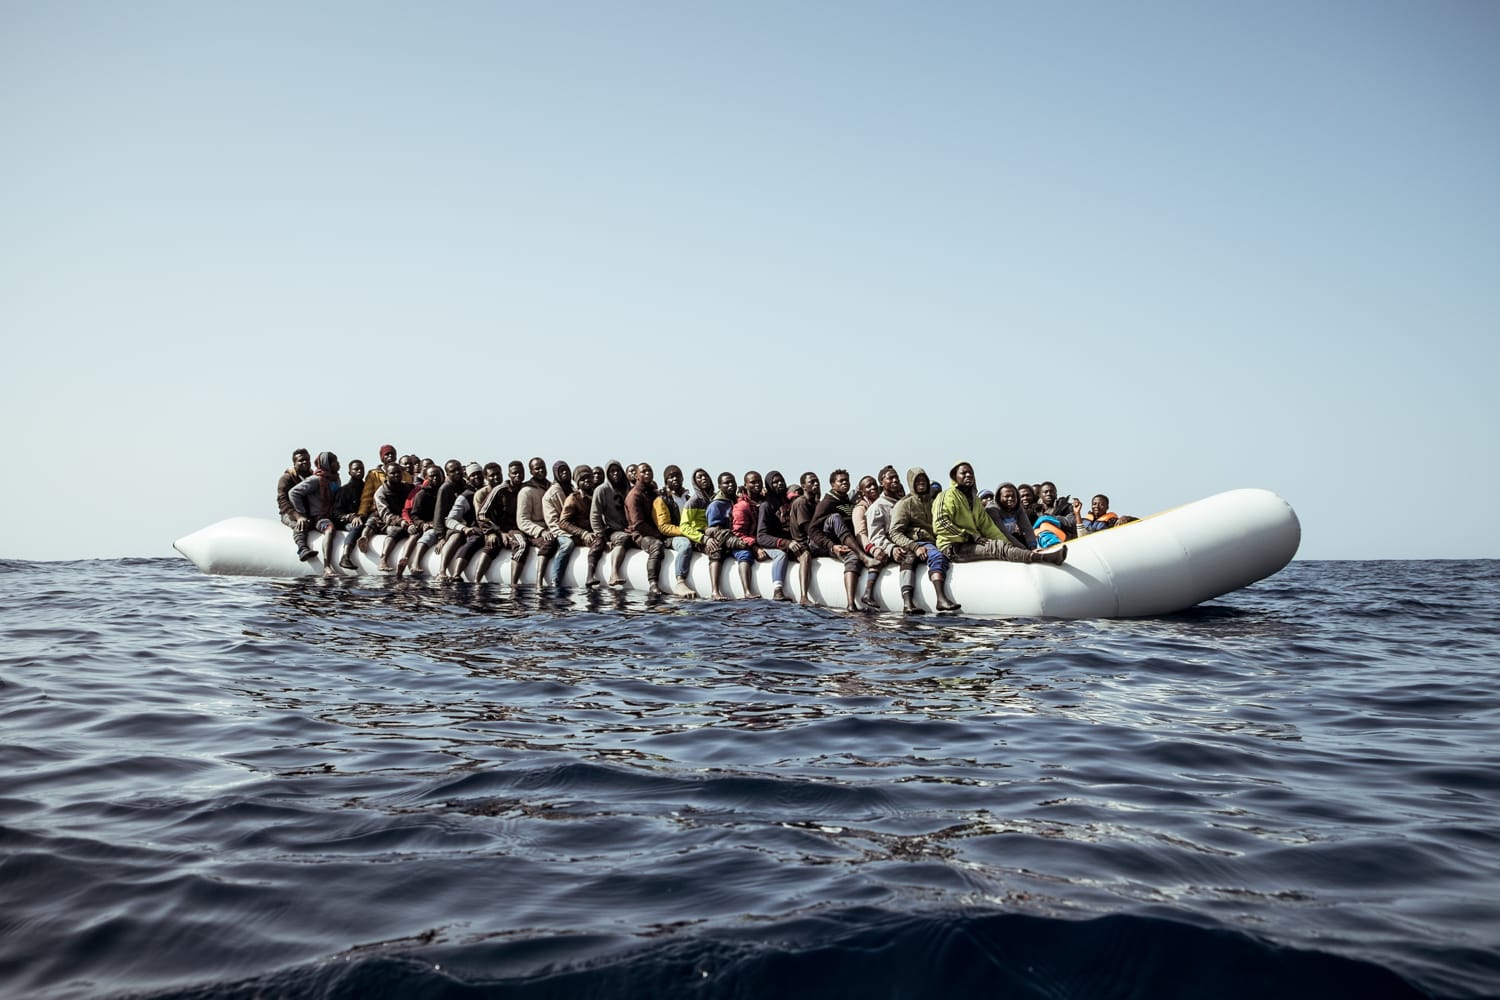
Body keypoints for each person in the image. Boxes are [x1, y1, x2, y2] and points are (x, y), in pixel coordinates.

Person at [935, 462, 1066, 566]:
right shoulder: (946, 496)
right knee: (997, 547)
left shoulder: (975, 501)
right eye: (963, 473)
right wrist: (970, 536)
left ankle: (1031, 553)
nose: (968, 475)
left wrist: (1011, 545)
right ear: (954, 476)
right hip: (952, 546)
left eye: (971, 473)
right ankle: (1042, 558)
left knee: (1001, 544)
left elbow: (988, 527)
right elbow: (940, 522)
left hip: (971, 543)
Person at [888, 467, 962, 613]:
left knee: (941, 553)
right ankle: (938, 599)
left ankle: (915, 603)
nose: (921, 483)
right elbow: (895, 532)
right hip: (913, 542)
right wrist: (915, 547)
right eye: (917, 480)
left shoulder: (934, 502)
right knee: (928, 557)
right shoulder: (904, 504)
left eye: (924, 480)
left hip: (934, 541)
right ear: (911, 483)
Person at [808, 469, 874, 611]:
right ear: (833, 484)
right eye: (841, 481)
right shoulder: (826, 503)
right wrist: (832, 546)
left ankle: (853, 603)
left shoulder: (849, 502)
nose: (845, 483)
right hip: (822, 543)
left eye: (847, 480)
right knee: (835, 518)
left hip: (843, 541)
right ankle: (850, 602)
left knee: (853, 555)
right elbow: (812, 530)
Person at [867, 465, 922, 614]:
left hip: (913, 542)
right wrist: (892, 549)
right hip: (898, 551)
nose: (895, 480)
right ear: (881, 482)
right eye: (890, 477)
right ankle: (907, 602)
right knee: (908, 556)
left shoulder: (905, 503)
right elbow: (876, 537)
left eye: (896, 477)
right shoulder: (877, 507)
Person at [756, 470, 812, 604]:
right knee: (781, 555)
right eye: (774, 482)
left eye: (781, 480)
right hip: (772, 545)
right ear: (769, 485)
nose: (779, 483)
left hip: (790, 543)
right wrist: (785, 543)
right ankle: (778, 590)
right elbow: (761, 536)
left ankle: (804, 597)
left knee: (805, 554)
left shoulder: (790, 502)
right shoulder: (766, 506)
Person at [472, 462, 529, 585]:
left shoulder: (526, 488)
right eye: (514, 473)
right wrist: (492, 532)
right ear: (509, 475)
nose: (518, 475)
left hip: (523, 527)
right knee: (521, 544)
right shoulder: (499, 490)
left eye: (520, 472)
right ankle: (513, 585)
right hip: (505, 528)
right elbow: (481, 514)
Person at [287, 451, 342, 573]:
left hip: (333, 515)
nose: (338, 464)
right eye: (335, 462)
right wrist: (301, 514)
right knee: (330, 529)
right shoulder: (316, 479)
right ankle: (327, 566)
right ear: (327, 464)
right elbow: (293, 493)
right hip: (319, 517)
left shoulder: (335, 479)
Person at [653, 465, 699, 598]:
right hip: (671, 537)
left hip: (690, 532)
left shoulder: (689, 498)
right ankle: (680, 582)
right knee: (685, 545)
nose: (675, 479)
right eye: (671, 477)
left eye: (677, 476)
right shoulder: (661, 500)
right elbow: (663, 527)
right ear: (665, 481)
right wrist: (685, 532)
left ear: (682, 478)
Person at [704, 472, 750, 600]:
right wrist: (733, 540)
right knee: (716, 552)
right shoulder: (716, 505)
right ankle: (715, 591)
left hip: (737, 538)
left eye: (732, 482)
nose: (731, 485)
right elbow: (715, 530)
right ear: (719, 486)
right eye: (726, 483)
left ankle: (747, 591)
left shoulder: (738, 500)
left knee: (745, 553)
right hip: (722, 539)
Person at [624, 462, 668, 596]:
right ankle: (653, 583)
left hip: (658, 531)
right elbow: (638, 524)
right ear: (637, 476)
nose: (647, 473)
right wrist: (658, 535)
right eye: (643, 471)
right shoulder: (634, 496)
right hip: (639, 535)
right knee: (656, 545)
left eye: (649, 470)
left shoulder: (653, 493)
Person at [558, 464, 606, 586]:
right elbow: (563, 522)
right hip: (581, 535)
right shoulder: (573, 498)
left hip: (596, 530)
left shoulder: (597, 494)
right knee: (598, 542)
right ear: (577, 483)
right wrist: (583, 533)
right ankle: (590, 575)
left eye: (588, 477)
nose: (587, 481)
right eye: (582, 479)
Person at [516, 456, 560, 587]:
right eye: (537, 468)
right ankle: (539, 582)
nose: (541, 470)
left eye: (543, 467)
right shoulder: (526, 491)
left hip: (553, 528)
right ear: (531, 471)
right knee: (549, 542)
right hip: (535, 533)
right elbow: (522, 520)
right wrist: (540, 531)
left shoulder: (552, 487)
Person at [440, 463, 487, 580]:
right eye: (473, 475)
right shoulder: (465, 497)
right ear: (468, 478)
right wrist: (464, 528)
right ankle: (453, 573)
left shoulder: (491, 491)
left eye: (479, 474)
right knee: (472, 540)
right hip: (473, 530)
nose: (477, 477)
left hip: (490, 529)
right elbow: (449, 520)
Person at [591, 460, 633, 588]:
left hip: (631, 528)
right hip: (613, 530)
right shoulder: (601, 490)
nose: (615, 474)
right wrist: (602, 537)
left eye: (618, 470)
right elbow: (595, 515)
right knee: (623, 539)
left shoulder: (628, 488)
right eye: (611, 471)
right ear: (607, 474)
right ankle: (614, 573)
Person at [852, 474, 889, 610]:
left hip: (883, 541)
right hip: (867, 547)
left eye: (874, 484)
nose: (873, 487)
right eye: (868, 486)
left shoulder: (883, 503)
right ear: (862, 492)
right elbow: (860, 535)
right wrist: (873, 549)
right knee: (877, 559)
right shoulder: (860, 509)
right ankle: (867, 593)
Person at [368, 461, 413, 572]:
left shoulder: (408, 487)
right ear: (387, 475)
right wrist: (400, 522)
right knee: (394, 530)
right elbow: (385, 515)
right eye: (392, 473)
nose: (396, 475)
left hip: (406, 520)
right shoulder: (380, 492)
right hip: (385, 523)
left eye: (398, 472)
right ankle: (383, 560)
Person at [540, 461, 576, 586]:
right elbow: (552, 522)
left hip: (574, 528)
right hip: (560, 531)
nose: (565, 473)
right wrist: (570, 534)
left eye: (566, 470)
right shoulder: (550, 495)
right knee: (568, 544)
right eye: (561, 471)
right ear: (556, 474)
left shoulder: (573, 489)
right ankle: (556, 578)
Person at [331, 458, 366, 570]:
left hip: (364, 520)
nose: (359, 471)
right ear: (349, 472)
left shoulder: (367, 489)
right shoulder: (344, 490)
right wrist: (351, 517)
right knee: (357, 526)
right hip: (346, 522)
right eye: (356, 469)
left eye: (361, 469)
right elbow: (336, 513)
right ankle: (345, 556)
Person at [986, 482, 1039, 550]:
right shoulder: (992, 509)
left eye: (1013, 496)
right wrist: (1023, 549)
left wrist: (1033, 546)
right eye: (1007, 496)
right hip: (996, 540)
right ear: (999, 497)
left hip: (1012, 538)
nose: (1010, 499)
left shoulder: (1018, 507)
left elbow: (1027, 528)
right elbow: (1003, 533)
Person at [276, 449, 312, 540]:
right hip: (290, 514)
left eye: (307, 459)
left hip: (308, 513)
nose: (305, 462)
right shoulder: (286, 478)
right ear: (294, 463)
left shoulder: (313, 477)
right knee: (301, 526)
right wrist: (298, 517)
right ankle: (303, 549)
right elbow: (282, 501)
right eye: (301, 460)